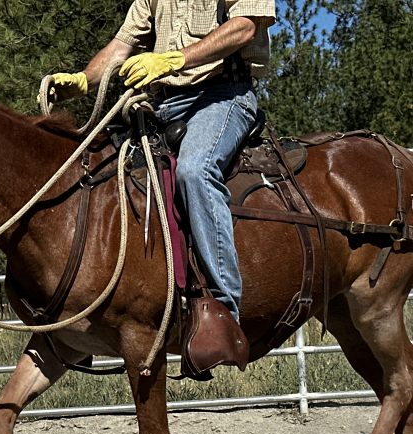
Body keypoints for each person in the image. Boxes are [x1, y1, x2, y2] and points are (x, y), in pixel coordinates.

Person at [43, 0, 277, 332]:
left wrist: (174, 59)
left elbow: (245, 26)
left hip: (223, 96)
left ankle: (224, 310)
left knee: (195, 170)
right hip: (165, 104)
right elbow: (121, 45)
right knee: (101, 169)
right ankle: (103, 302)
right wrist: (83, 81)